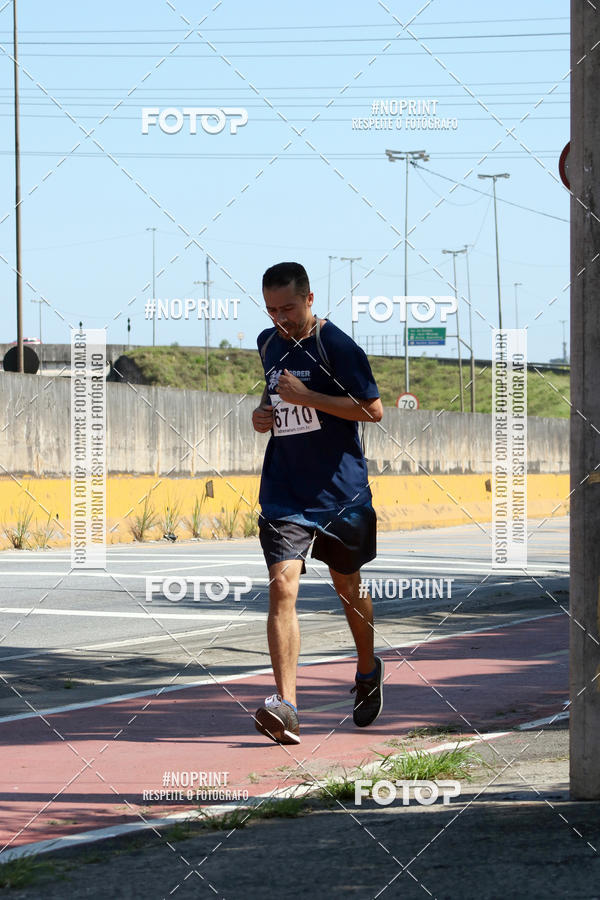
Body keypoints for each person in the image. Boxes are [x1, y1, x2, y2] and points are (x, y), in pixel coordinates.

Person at [251, 261, 384, 745]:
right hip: (285, 489)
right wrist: (262, 416)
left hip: (340, 491)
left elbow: (373, 410)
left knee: (347, 586)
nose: (280, 318)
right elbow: (276, 402)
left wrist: (310, 395)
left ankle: (368, 669)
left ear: (310, 300)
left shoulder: (337, 346)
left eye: (288, 308)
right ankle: (286, 706)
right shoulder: (267, 344)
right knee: (282, 587)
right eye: (270, 309)